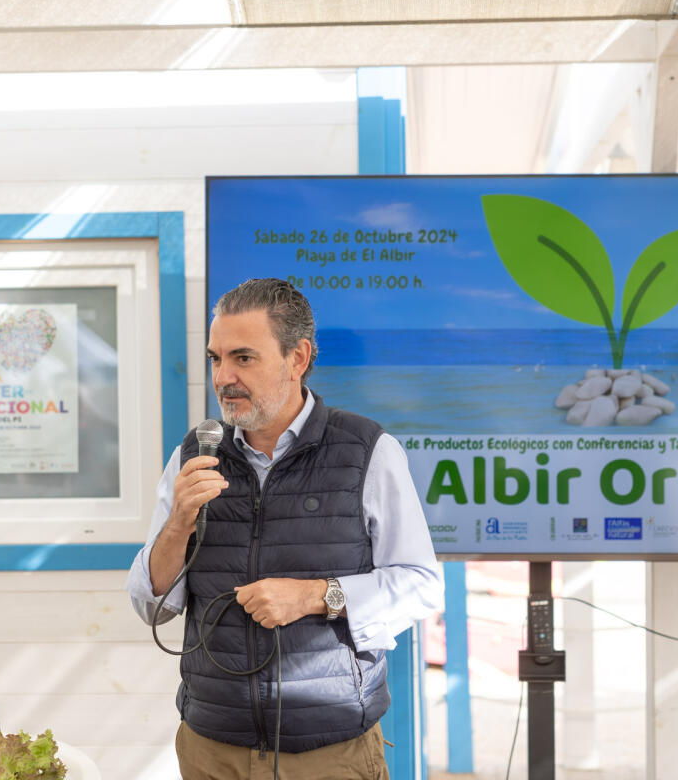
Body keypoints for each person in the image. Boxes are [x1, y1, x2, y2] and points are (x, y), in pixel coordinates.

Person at [126, 277, 442, 780]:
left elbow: (422, 587)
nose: (223, 376)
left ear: (298, 358)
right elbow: (151, 604)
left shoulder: (366, 451)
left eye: (243, 358)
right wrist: (177, 525)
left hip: (328, 752)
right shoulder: (194, 454)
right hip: (211, 749)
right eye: (215, 358)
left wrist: (319, 596)